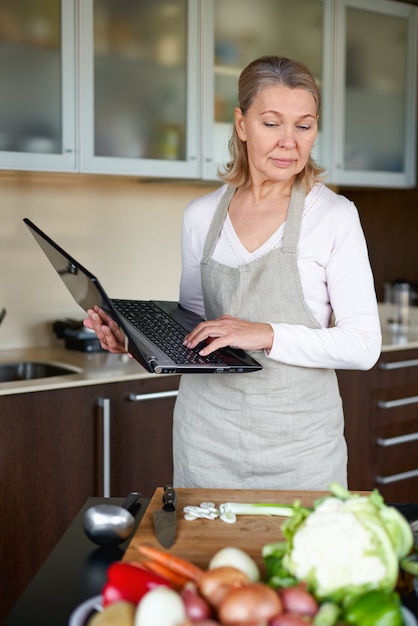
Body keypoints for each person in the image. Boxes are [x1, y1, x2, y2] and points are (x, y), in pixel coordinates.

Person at [85, 55, 382, 491]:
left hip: (300, 450)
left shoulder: (334, 216)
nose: (289, 142)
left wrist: (262, 332)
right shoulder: (200, 215)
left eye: (304, 125)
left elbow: (363, 346)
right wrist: (136, 343)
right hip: (206, 443)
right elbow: (194, 328)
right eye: (271, 123)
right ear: (241, 125)